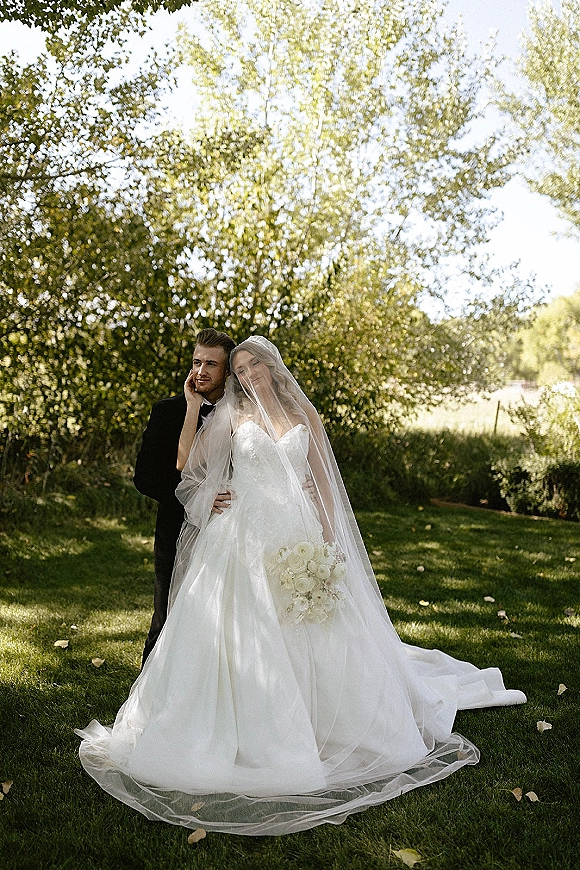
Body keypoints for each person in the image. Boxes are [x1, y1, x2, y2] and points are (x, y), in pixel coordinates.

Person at [76, 336, 526, 837]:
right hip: (241, 534)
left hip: (296, 532)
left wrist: (330, 540)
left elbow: (325, 486)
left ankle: (327, 724)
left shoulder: (304, 417)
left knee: (311, 628)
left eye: (252, 366)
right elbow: (187, 464)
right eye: (239, 369)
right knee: (238, 630)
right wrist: (194, 431)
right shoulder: (229, 413)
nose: (246, 375)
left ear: (270, 367)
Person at [133, 327, 235, 665]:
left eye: (211, 365)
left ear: (227, 371)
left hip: (233, 533)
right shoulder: (167, 411)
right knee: (166, 617)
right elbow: (145, 478)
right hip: (176, 530)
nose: (200, 372)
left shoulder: (244, 412)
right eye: (196, 362)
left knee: (221, 621)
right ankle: (145, 704)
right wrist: (197, 498)